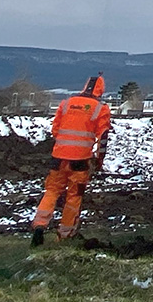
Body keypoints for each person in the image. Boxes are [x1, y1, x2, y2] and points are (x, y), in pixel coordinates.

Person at [31, 74, 111, 245]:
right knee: (74, 196)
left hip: (58, 158)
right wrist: (99, 160)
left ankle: (39, 225)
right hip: (80, 161)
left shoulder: (66, 103)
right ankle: (65, 234)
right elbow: (103, 138)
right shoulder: (100, 108)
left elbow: (55, 130)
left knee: (51, 191)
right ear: (101, 90)